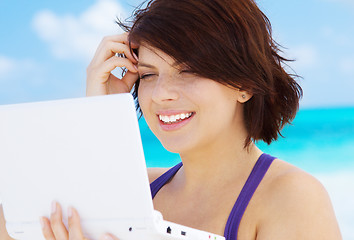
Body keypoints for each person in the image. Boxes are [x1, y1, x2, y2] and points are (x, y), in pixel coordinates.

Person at [0, 0, 342, 239]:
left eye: (188, 71)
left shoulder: (291, 199)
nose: (161, 93)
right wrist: (101, 116)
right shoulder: (133, 192)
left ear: (244, 83)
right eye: (148, 74)